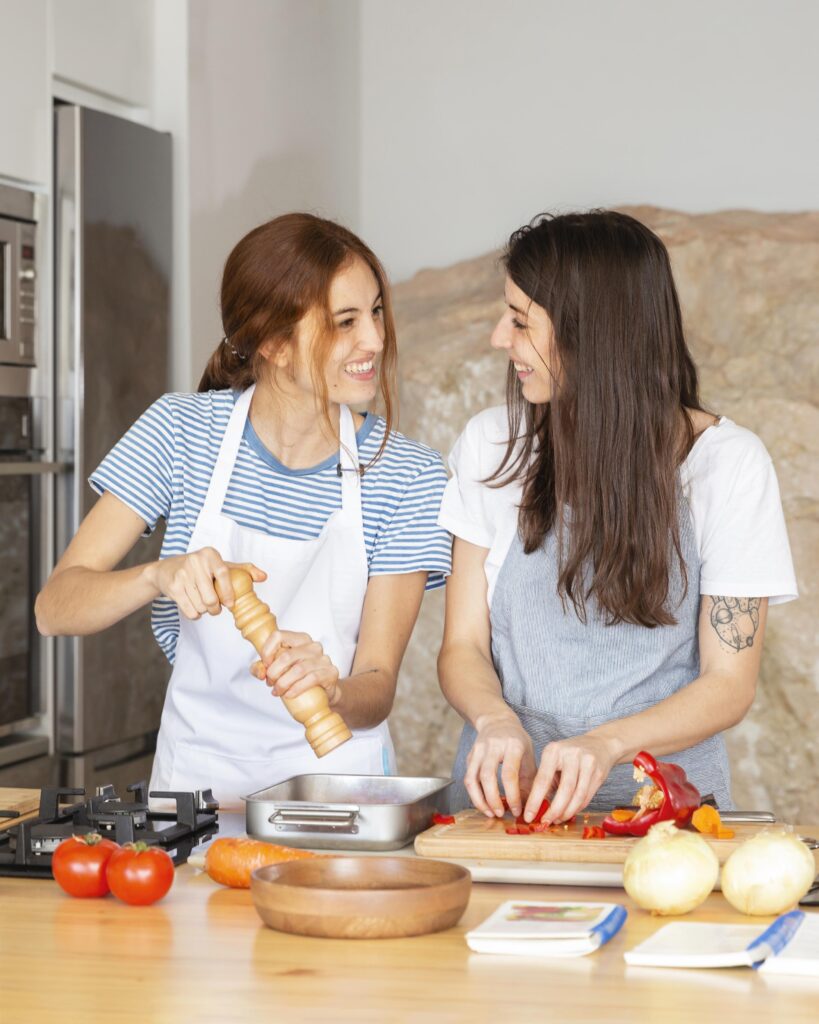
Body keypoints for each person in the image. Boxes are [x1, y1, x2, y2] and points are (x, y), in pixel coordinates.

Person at [36, 213, 451, 807]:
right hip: (194, 793)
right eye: (345, 322)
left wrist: (331, 689)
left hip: (336, 793)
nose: (376, 342)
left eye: (377, 312)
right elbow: (56, 607)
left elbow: (378, 685)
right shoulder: (181, 433)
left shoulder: (406, 473)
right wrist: (158, 574)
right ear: (274, 343)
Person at [437, 210, 797, 824]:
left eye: (521, 322)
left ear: (589, 334)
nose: (501, 338)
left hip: (665, 819)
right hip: (503, 813)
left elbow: (728, 685)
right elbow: (462, 645)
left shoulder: (727, 466)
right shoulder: (492, 445)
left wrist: (605, 744)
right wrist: (496, 720)